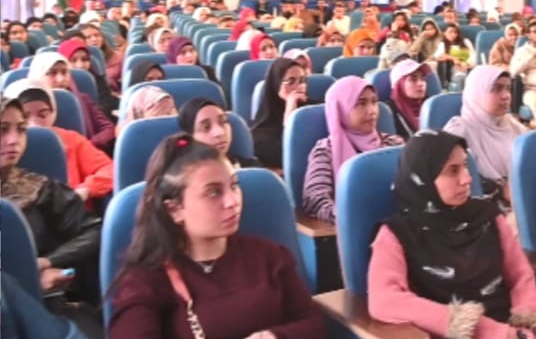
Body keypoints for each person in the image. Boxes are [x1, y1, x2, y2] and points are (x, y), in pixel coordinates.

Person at [106, 134, 325, 337]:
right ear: (174, 210)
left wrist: (274, 336)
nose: (233, 201)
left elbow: (312, 323)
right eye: (213, 192)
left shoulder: (270, 256)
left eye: (234, 186)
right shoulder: (147, 281)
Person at [368, 130, 536, 339]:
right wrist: (488, 331)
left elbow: (520, 276)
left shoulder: (487, 215)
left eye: (465, 165)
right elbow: (384, 300)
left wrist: (527, 327)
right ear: (424, 177)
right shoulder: (397, 234)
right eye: (453, 170)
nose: (467, 179)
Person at [0, 97, 103, 309]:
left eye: (21, 129)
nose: (14, 140)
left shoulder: (39, 188)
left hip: (38, 302)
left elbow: (93, 231)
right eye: (2, 130)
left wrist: (47, 262)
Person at [302, 76, 404, 223]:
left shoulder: (394, 144)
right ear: (341, 110)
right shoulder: (326, 151)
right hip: (352, 227)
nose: (372, 111)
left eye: (374, 102)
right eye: (361, 103)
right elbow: (315, 200)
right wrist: (351, 218)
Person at [443, 65, 527, 206]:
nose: (506, 95)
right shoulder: (459, 130)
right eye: (497, 89)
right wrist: (501, 191)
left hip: (521, 201)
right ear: (476, 93)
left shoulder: (514, 126)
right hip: (484, 208)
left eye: (508, 88)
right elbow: (448, 178)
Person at [249, 58, 309, 170]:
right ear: (276, 85)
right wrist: (290, 109)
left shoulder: (315, 110)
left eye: (302, 80)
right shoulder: (259, 135)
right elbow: (289, 157)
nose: (300, 86)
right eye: (291, 81)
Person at [177, 97, 260, 168]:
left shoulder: (253, 168)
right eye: (206, 127)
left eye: (223, 122)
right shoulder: (184, 178)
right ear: (190, 136)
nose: (220, 133)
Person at [385, 59, 429, 139]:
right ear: (399, 84)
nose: (421, 84)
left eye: (423, 79)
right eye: (413, 79)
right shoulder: (388, 111)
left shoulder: (430, 105)